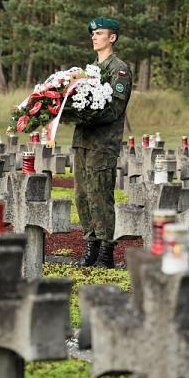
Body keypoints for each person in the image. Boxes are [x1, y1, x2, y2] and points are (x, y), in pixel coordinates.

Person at [73, 17, 132, 268]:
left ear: (112, 38)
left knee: (100, 195)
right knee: (82, 195)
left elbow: (114, 109)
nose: (94, 37)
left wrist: (87, 112)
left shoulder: (119, 69)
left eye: (100, 33)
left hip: (103, 142)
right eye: (93, 34)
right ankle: (91, 245)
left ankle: (106, 251)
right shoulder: (89, 70)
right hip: (83, 140)